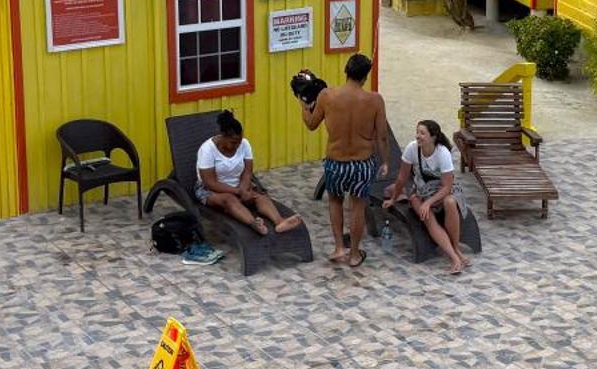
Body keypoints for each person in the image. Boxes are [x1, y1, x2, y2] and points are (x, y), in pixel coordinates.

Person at [302, 52, 387, 268]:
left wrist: (303, 105)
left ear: (345, 71)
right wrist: (385, 161)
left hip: (336, 161)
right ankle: (355, 254)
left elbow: (311, 124)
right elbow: (381, 135)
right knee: (357, 206)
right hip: (362, 162)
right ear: (365, 77)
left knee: (335, 201)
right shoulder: (375, 100)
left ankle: (339, 247)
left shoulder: (326, 96)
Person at [382, 118, 469, 274]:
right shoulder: (412, 149)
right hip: (421, 192)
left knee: (450, 202)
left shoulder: (442, 153)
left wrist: (429, 202)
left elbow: (448, 186)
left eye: (422, 133)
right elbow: (402, 178)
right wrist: (393, 199)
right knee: (426, 215)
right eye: (417, 132)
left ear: (433, 137)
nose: (418, 136)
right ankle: (454, 258)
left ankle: (455, 248)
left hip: (442, 191)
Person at [195, 110, 301, 235]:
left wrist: (244, 189)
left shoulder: (244, 144)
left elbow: (247, 171)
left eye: (239, 142)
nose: (237, 145)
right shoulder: (207, 150)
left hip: (238, 185)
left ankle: (279, 221)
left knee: (259, 197)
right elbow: (210, 183)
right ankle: (254, 223)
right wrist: (238, 192)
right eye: (233, 142)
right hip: (212, 190)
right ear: (222, 136)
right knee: (229, 200)